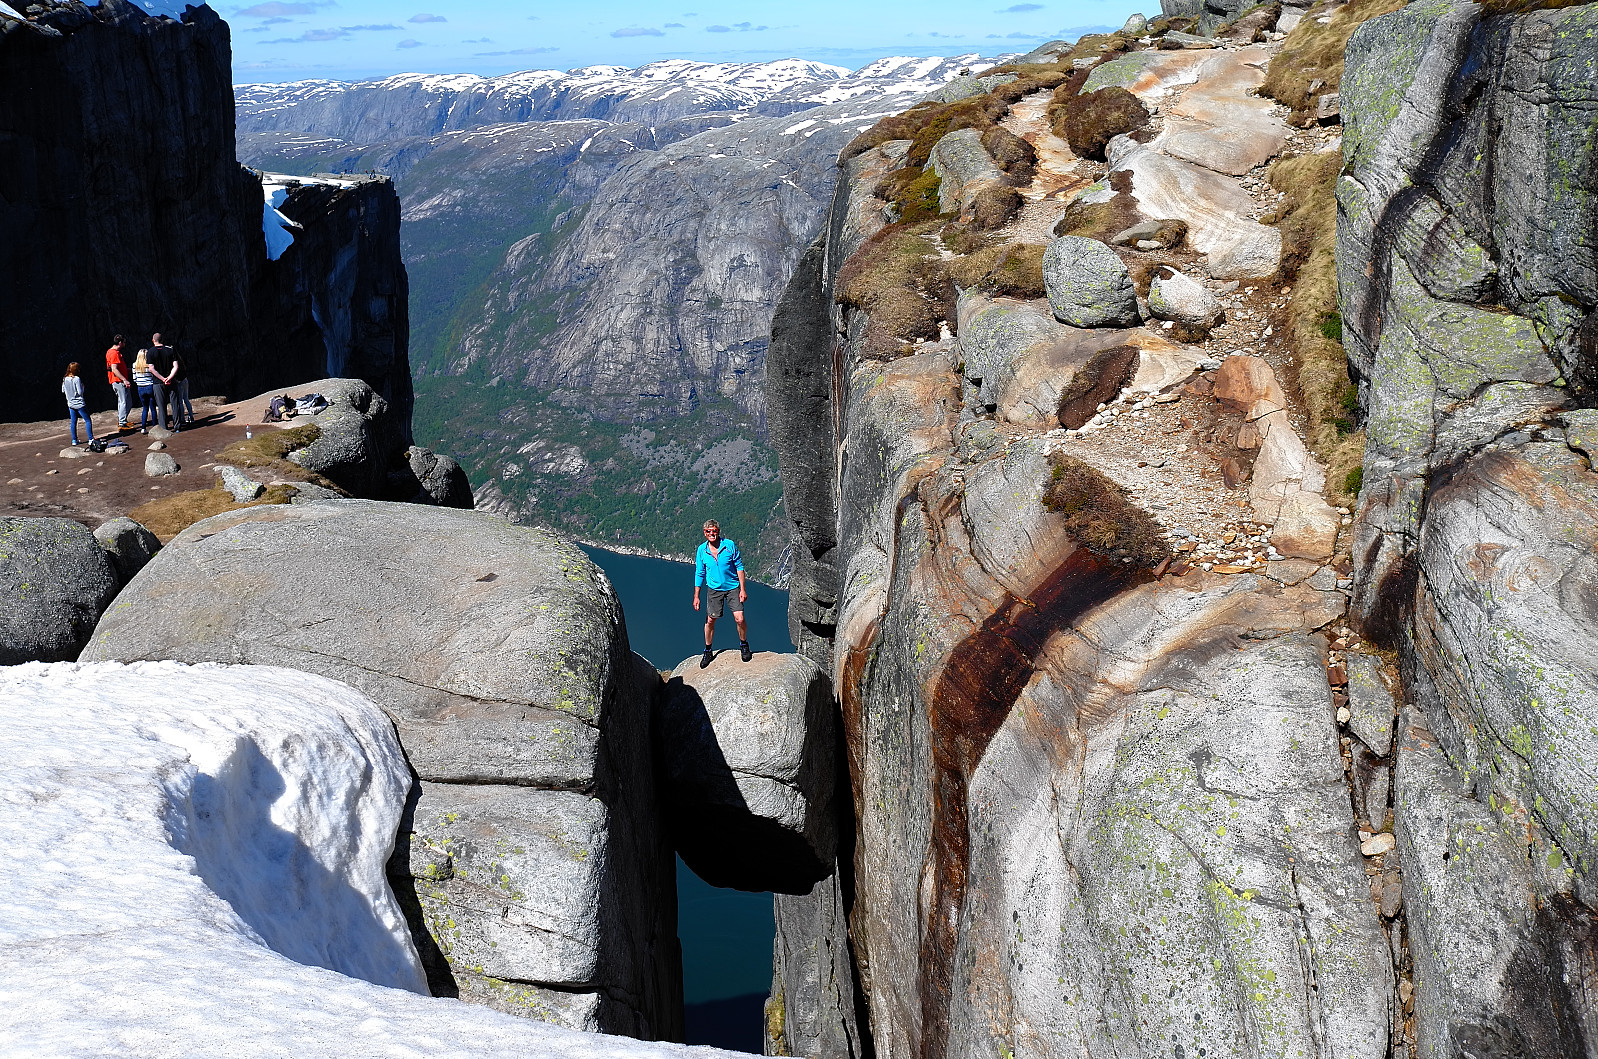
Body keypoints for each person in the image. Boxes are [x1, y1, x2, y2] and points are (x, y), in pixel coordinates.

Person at [692, 519, 750, 667]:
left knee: (740, 619)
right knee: (710, 620)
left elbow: (739, 567)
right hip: (714, 589)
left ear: (718, 531)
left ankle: (743, 645)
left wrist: (743, 589)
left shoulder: (729, 545)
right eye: (708, 531)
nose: (712, 534)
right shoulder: (702, 550)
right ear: (704, 533)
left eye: (714, 531)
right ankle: (707, 650)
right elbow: (699, 572)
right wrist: (696, 596)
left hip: (732, 587)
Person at [156, 333, 194, 427]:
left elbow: (174, 370)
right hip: (185, 380)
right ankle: (191, 416)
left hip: (179, 381)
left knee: (180, 401)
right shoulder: (179, 360)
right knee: (186, 399)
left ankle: (182, 420)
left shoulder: (172, 360)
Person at [148, 334, 177, 431]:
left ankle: (164, 428)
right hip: (171, 381)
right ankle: (177, 426)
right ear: (162, 339)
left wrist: (162, 379)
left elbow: (152, 369)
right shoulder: (170, 350)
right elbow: (176, 366)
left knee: (161, 405)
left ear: (153, 340)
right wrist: (169, 377)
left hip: (158, 382)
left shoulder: (150, 352)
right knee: (174, 403)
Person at [62, 363, 93, 445]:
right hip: (79, 403)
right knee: (87, 420)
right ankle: (90, 439)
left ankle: (74, 440)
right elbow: (79, 392)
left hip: (70, 404)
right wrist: (83, 387)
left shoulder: (65, 379)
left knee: (73, 422)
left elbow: (63, 390)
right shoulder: (76, 379)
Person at [105, 335, 132, 431]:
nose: (125, 344)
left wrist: (129, 370)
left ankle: (123, 419)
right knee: (123, 401)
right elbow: (114, 369)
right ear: (120, 342)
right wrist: (124, 379)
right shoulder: (114, 353)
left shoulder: (110, 352)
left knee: (126, 401)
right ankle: (122, 422)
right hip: (118, 381)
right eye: (124, 342)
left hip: (117, 380)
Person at [131, 349, 157, 433]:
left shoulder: (135, 365)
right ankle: (154, 426)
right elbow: (153, 376)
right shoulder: (150, 365)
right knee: (153, 408)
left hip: (140, 388)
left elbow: (134, 379)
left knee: (145, 408)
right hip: (150, 386)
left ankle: (143, 428)